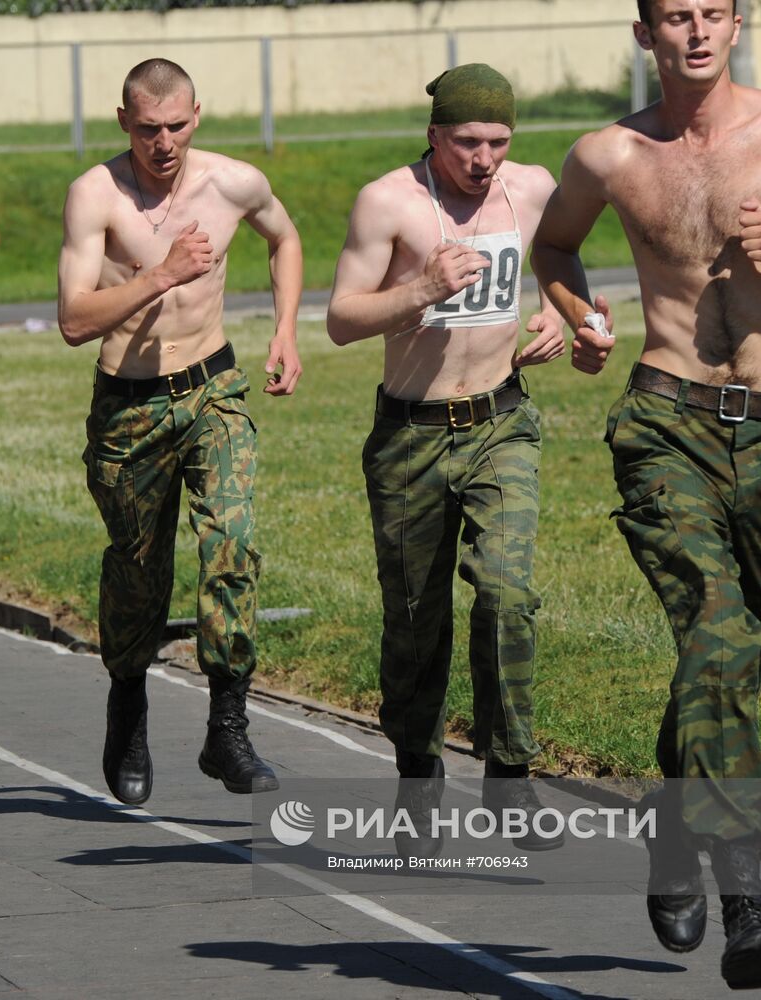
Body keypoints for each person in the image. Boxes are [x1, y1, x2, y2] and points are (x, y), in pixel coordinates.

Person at [530, 0, 761, 988]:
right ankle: (744, 895)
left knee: (725, 666)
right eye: (674, 17)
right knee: (714, 637)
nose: (694, 33)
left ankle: (667, 819)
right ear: (643, 32)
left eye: (711, 14)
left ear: (734, 25)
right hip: (664, 420)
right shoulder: (607, 154)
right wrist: (579, 315)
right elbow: (551, 247)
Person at [326, 64, 583, 859]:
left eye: (498, 141)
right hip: (411, 433)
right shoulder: (389, 202)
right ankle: (418, 772)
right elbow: (339, 318)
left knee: (508, 594)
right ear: (435, 135)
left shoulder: (532, 188)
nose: (484, 159)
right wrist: (422, 288)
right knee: (414, 618)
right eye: (468, 141)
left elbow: (562, 263)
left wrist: (564, 317)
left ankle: (510, 771)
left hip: (501, 422)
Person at [57, 58, 302, 806]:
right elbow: (73, 319)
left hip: (213, 389)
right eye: (147, 128)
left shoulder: (233, 182)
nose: (163, 143)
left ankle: (226, 723)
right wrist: (158, 275)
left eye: (176, 126)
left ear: (198, 115)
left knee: (233, 539)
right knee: (139, 570)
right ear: (123, 121)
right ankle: (127, 696)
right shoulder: (95, 196)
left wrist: (286, 330)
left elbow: (284, 240)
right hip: (128, 408)